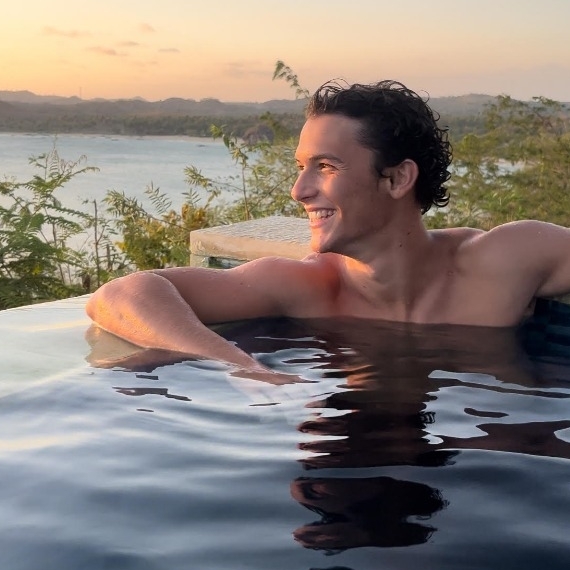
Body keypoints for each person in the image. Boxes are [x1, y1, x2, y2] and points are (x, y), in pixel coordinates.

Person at [86, 80, 570, 377]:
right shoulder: (309, 286)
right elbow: (121, 295)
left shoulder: (506, 259)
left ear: (397, 178)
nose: (298, 190)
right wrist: (243, 367)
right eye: (301, 167)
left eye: (325, 166)